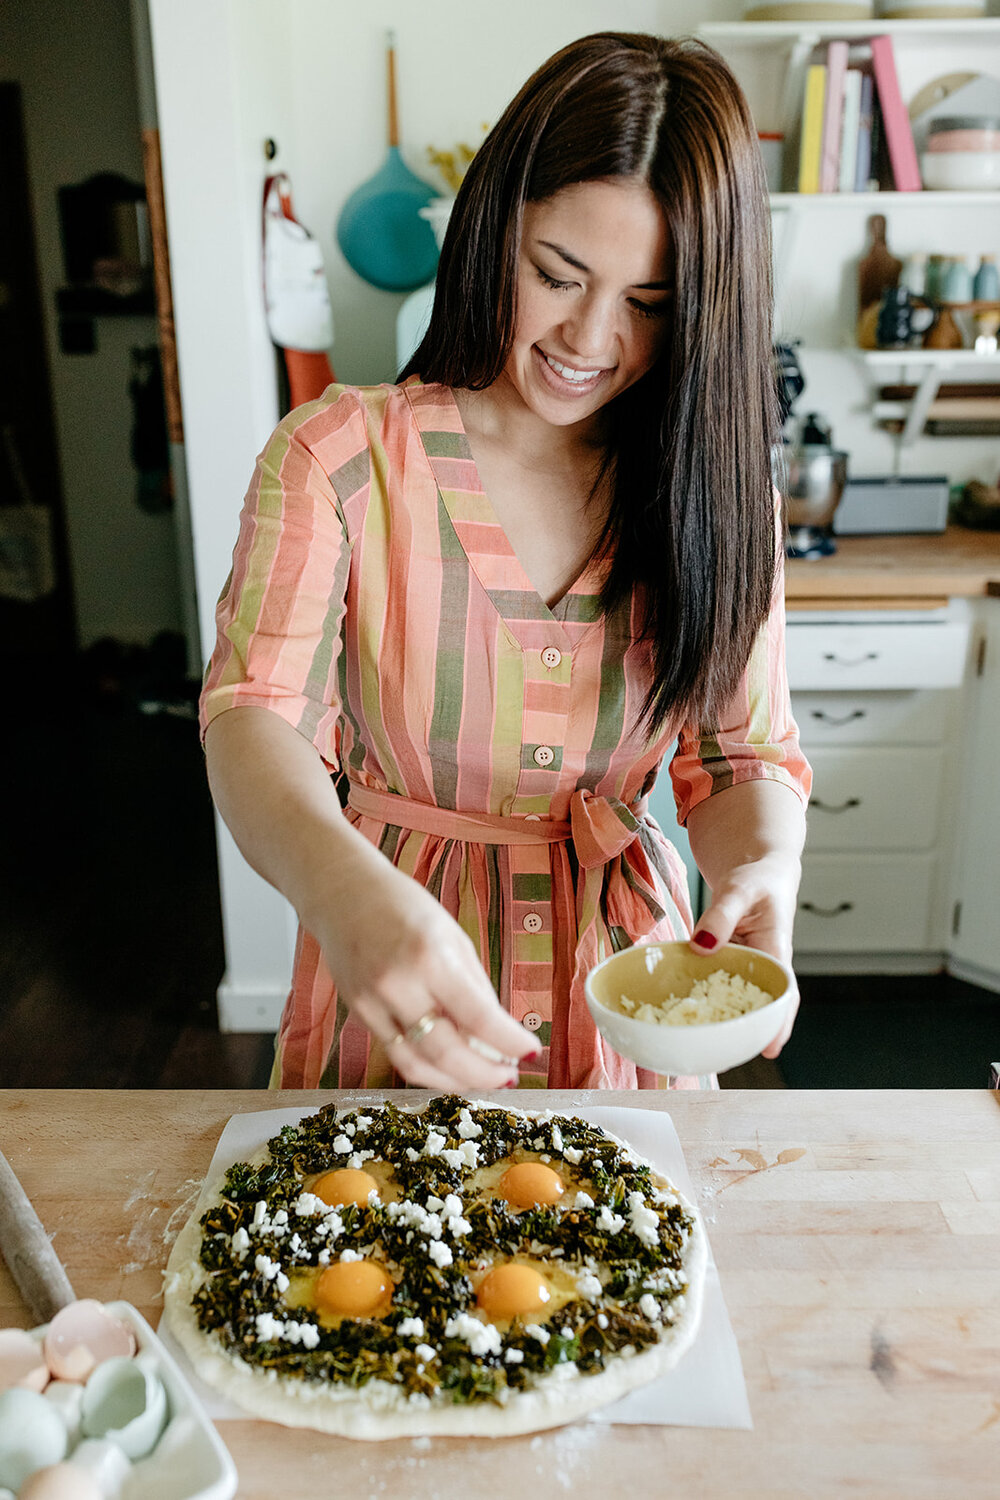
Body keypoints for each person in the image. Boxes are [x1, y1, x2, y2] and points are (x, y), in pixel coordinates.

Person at [200, 31, 811, 1093]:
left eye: (649, 305)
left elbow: (739, 756)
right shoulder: (340, 454)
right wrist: (342, 896)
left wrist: (764, 860)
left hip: (628, 1008)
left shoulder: (723, 498)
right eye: (558, 274)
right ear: (497, 229)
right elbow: (255, 715)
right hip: (393, 988)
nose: (590, 337)